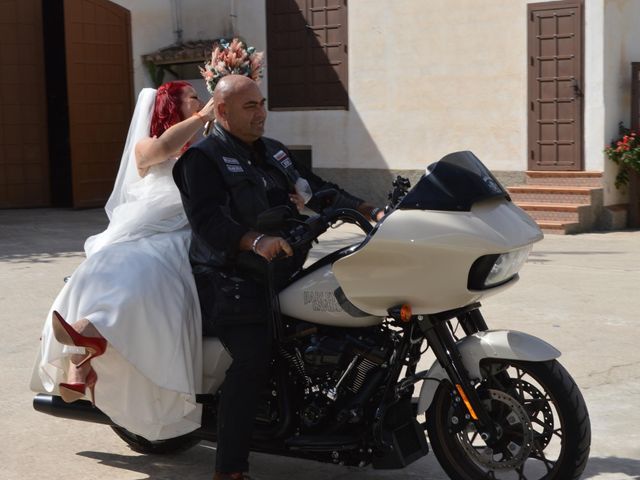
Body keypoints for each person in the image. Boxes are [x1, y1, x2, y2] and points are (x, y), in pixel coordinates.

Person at [173, 74, 384, 480]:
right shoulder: (202, 158)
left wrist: (371, 211)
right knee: (254, 356)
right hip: (227, 280)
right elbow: (208, 222)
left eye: (262, 104)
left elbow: (318, 191)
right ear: (222, 111)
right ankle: (230, 469)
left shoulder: (274, 152)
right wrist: (253, 240)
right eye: (250, 107)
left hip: (279, 271)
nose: (261, 114)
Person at [38, 80, 216, 440]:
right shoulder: (147, 145)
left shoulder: (205, 148)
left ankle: (84, 354)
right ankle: (81, 353)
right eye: (194, 97)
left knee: (142, 270)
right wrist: (204, 115)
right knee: (103, 268)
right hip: (147, 230)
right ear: (173, 106)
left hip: (179, 232)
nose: (202, 101)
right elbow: (164, 148)